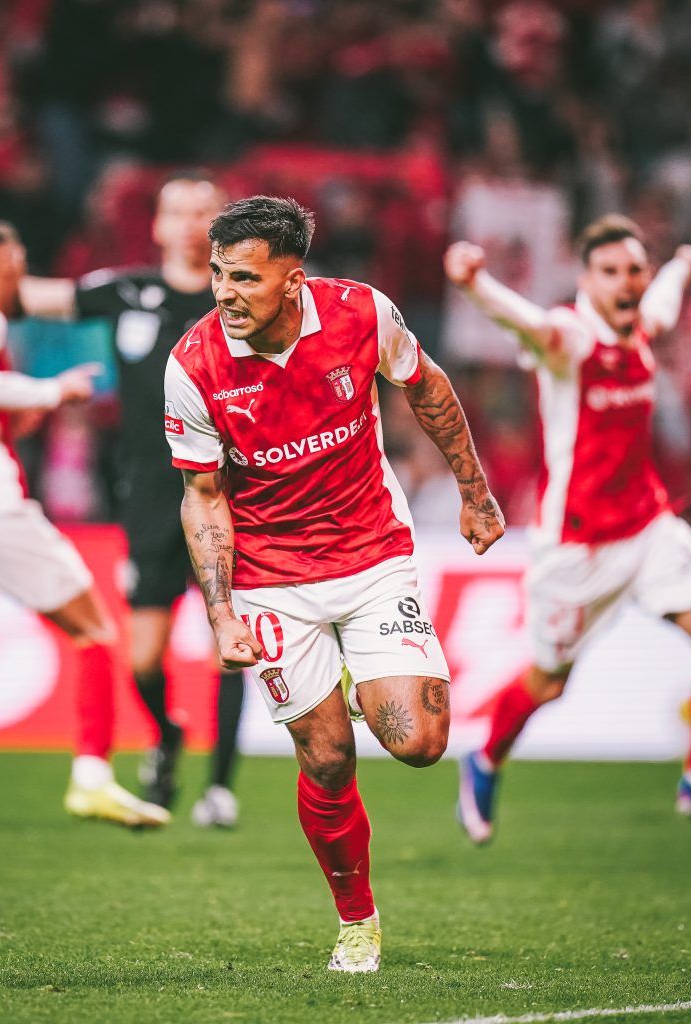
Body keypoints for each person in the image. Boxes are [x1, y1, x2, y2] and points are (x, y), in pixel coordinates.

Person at [164, 195, 505, 972]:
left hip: (371, 555)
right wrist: (221, 613)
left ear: (293, 280)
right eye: (218, 274)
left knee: (418, 742)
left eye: (244, 277)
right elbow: (203, 496)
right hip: (271, 580)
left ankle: (356, 675)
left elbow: (426, 385)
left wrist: (474, 492)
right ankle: (356, 921)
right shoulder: (193, 365)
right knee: (324, 758)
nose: (223, 292)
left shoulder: (361, 314)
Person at [0, 171, 247, 827]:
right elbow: (17, 294)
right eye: (177, 211)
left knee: (230, 641)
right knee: (137, 654)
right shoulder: (125, 290)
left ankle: (219, 788)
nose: (191, 224)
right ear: (158, 224)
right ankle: (163, 737)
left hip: (230, 488)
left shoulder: (243, 298)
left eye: (204, 211)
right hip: (148, 492)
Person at [443, 214, 691, 843]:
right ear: (587, 280)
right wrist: (475, 286)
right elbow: (527, 323)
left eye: (635, 270)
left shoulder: (643, 325)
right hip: (576, 548)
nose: (627, 282)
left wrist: (682, 266)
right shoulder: (570, 338)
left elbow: (665, 301)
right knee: (549, 683)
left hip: (647, 528)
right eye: (610, 271)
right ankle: (484, 760)